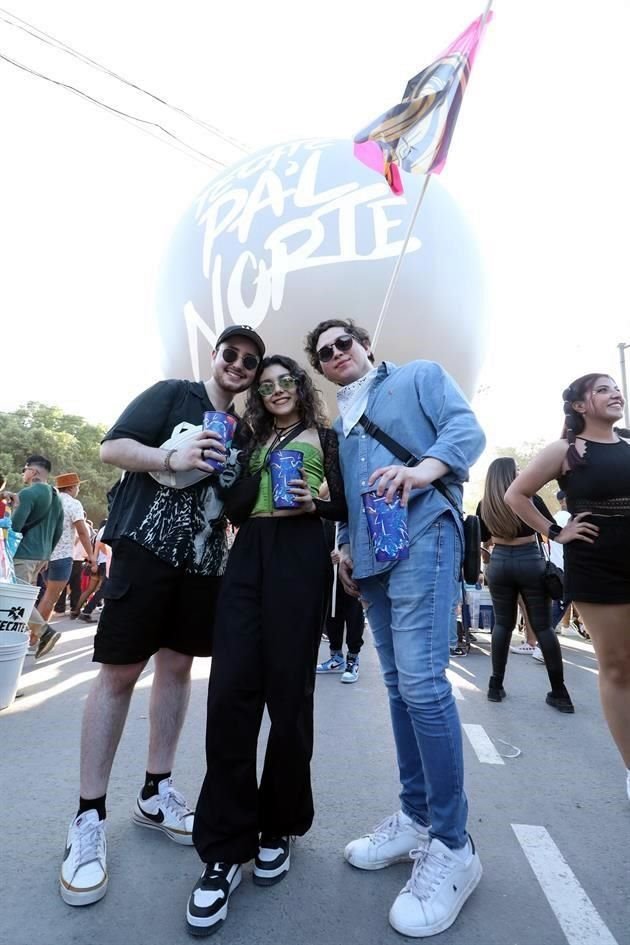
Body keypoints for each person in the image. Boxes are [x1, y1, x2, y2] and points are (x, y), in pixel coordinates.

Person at [59, 325, 265, 907]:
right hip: (144, 552)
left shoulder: (246, 432)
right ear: (216, 355)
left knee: (177, 669)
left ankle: (156, 791)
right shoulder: (173, 394)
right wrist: (169, 454)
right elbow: (112, 447)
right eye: (232, 354)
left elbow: (238, 501)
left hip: (203, 562)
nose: (239, 365)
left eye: (250, 361)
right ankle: (88, 817)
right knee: (120, 673)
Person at [303, 318, 486, 939]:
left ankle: (453, 845)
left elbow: (466, 429)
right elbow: (352, 497)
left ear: (365, 345)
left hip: (425, 536)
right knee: (401, 690)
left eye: (343, 343)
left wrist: (423, 471)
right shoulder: (340, 425)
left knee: (426, 686)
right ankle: (414, 818)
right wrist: (346, 545)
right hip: (372, 559)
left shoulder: (418, 377)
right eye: (325, 354)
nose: (336, 356)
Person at [187, 355, 346, 936]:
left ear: (301, 388)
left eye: (287, 382)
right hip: (248, 555)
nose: (277, 390)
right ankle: (225, 847)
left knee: (289, 694)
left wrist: (315, 504)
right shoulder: (250, 438)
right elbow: (232, 507)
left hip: (300, 555)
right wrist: (231, 462)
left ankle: (277, 823)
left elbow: (345, 503)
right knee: (229, 694)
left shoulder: (327, 439)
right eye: (268, 384)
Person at [505, 373, 630, 799]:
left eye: (616, 388)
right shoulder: (565, 450)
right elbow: (515, 496)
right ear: (579, 405)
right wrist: (555, 532)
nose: (616, 394)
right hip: (598, 565)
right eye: (603, 389)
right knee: (617, 666)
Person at [478, 457, 574, 711]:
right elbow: (548, 530)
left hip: (498, 564)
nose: (521, 473)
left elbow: (484, 539)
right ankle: (559, 693)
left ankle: (495, 686)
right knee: (542, 627)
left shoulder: (484, 504)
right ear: (510, 475)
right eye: (517, 470)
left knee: (502, 625)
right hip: (530, 561)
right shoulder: (531, 499)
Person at [36, 472, 97, 652]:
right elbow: (83, 532)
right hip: (62, 556)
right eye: (77, 486)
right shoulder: (73, 503)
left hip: (43, 554)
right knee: (50, 599)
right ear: (71, 487)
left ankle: (39, 637)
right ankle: (34, 638)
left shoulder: (49, 500)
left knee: (46, 596)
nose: (78, 489)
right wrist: (91, 556)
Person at [11, 455, 64, 658]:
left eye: (24, 469)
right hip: (41, 555)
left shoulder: (28, 493)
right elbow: (58, 529)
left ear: (33, 472)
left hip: (23, 553)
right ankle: (23, 639)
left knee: (17, 600)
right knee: (23, 598)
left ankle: (44, 632)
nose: (23, 474)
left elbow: (15, 527)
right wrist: (47, 555)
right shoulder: (56, 495)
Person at [316, 515, 365, 683]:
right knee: (332, 614)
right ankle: (336, 657)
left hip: (352, 571)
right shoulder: (325, 519)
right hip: (330, 575)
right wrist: (327, 558)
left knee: (353, 615)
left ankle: (353, 659)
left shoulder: (352, 513)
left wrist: (347, 552)